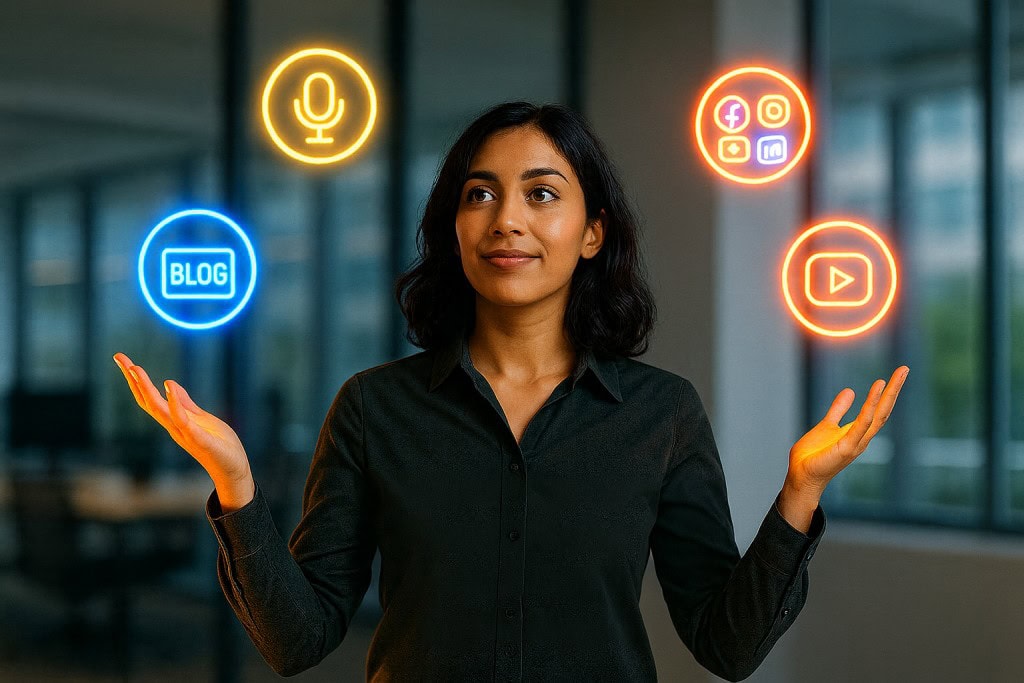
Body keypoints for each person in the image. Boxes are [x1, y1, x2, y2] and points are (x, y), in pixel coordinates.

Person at [113, 101, 908, 681]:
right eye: (479, 193)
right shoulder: (373, 407)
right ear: (454, 227)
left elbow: (725, 644)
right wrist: (237, 485)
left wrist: (801, 490)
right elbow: (299, 638)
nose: (507, 220)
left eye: (542, 193)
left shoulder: (660, 415)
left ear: (592, 232)